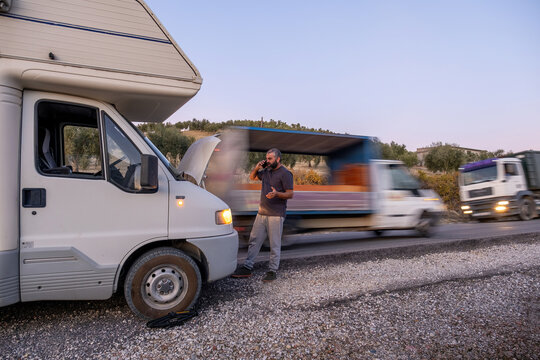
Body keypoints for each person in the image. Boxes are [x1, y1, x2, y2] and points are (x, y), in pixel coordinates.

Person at [232, 148, 294, 282]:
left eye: (270, 158)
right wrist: (256, 168)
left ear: (278, 159)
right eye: (266, 158)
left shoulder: (285, 174)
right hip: (262, 213)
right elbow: (252, 177)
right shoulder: (266, 171)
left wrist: (277, 194)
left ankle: (272, 271)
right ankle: (247, 268)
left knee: (274, 244)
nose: (267, 161)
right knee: (254, 241)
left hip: (276, 214)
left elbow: (290, 193)